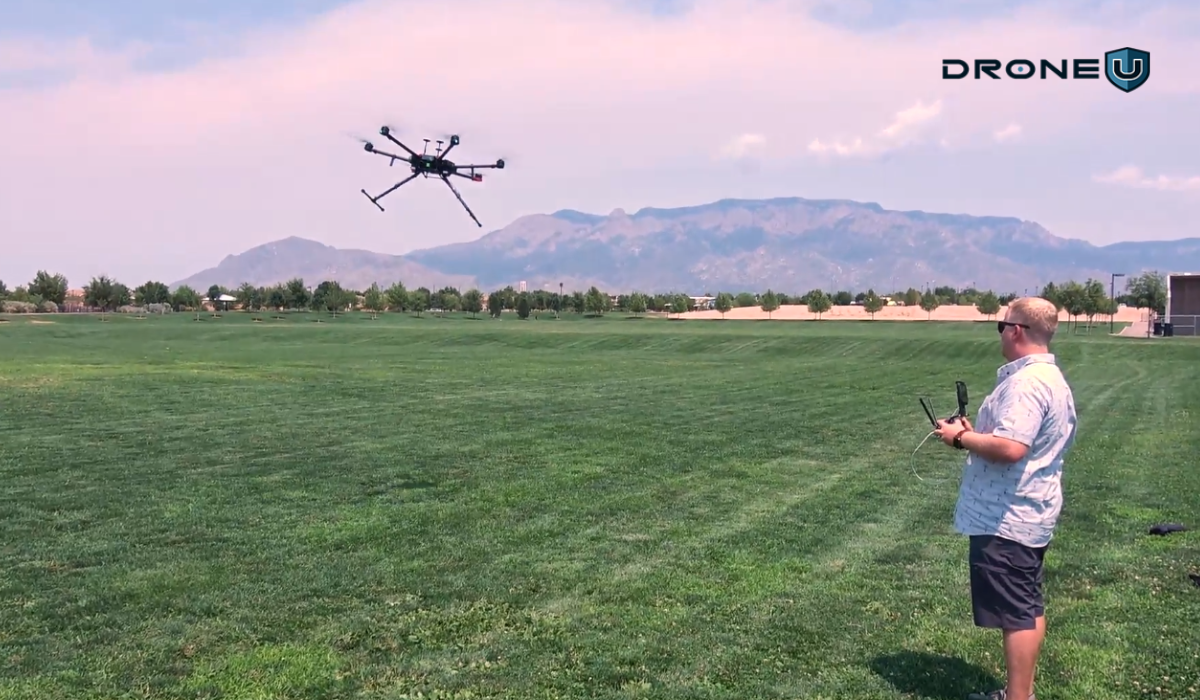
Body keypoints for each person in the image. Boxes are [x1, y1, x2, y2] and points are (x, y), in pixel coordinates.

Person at [934, 296, 1077, 700]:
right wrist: (973, 433)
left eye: (1002, 325)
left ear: (1015, 331)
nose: (1000, 333)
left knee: (1016, 614)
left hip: (1007, 518)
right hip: (1028, 512)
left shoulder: (1027, 383)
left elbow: (1012, 447)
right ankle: (1020, 693)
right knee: (1026, 606)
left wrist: (960, 438)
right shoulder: (1049, 378)